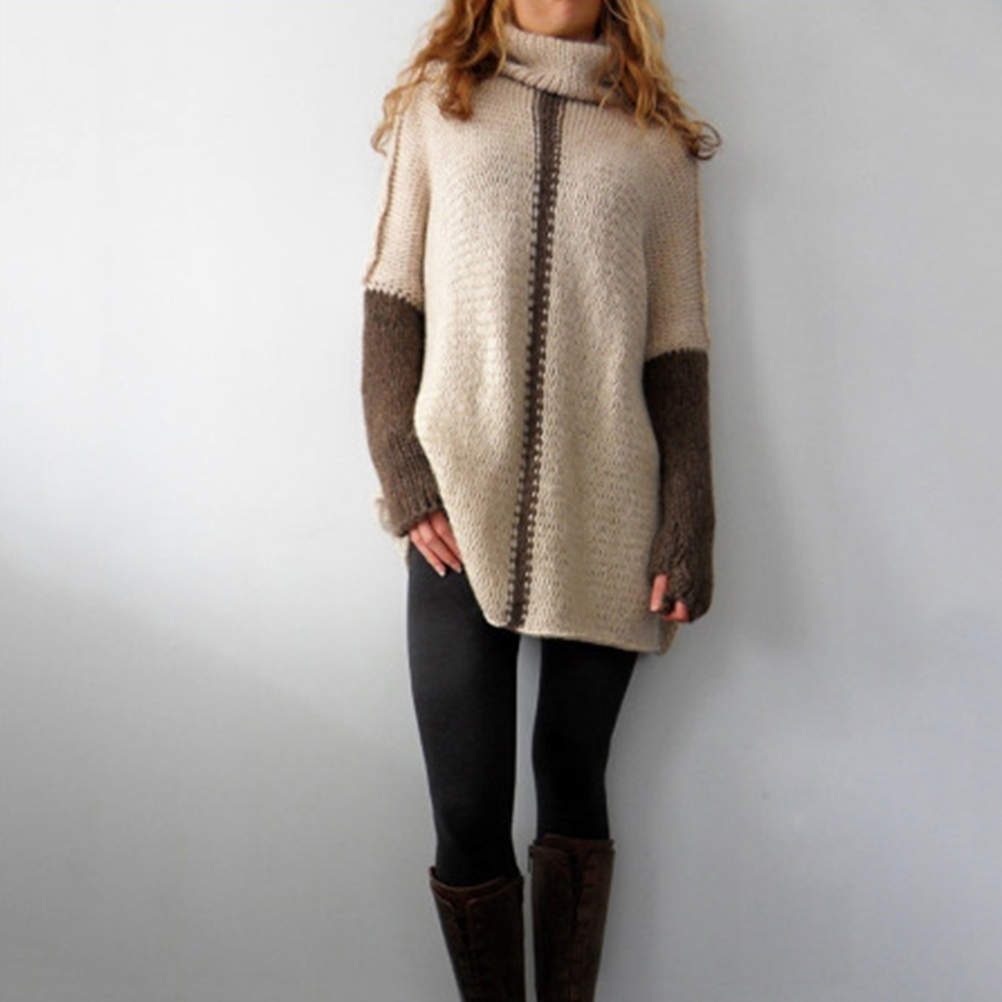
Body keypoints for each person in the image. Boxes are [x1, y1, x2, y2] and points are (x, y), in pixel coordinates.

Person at [360, 1, 721, 998]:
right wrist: (403, 470)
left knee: (571, 775)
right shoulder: (443, 107)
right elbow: (392, 299)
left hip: (610, 512)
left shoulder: (654, 145)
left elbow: (678, 349)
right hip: (455, 507)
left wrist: (689, 518)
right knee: (466, 810)